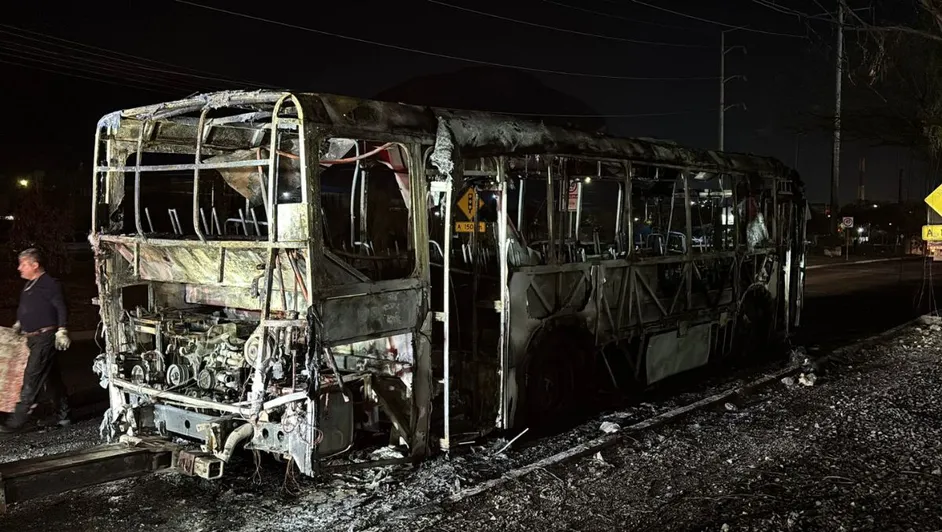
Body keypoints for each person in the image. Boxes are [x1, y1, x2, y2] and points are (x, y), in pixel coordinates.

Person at [0, 248, 71, 433]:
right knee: (51, 377)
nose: (19, 268)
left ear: (35, 265)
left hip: (44, 337)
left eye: (23, 264)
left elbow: (60, 306)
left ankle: (16, 421)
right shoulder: (30, 285)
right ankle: (63, 415)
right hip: (32, 338)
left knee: (31, 376)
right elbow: (28, 308)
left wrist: (62, 330)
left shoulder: (49, 284)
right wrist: (19, 323)